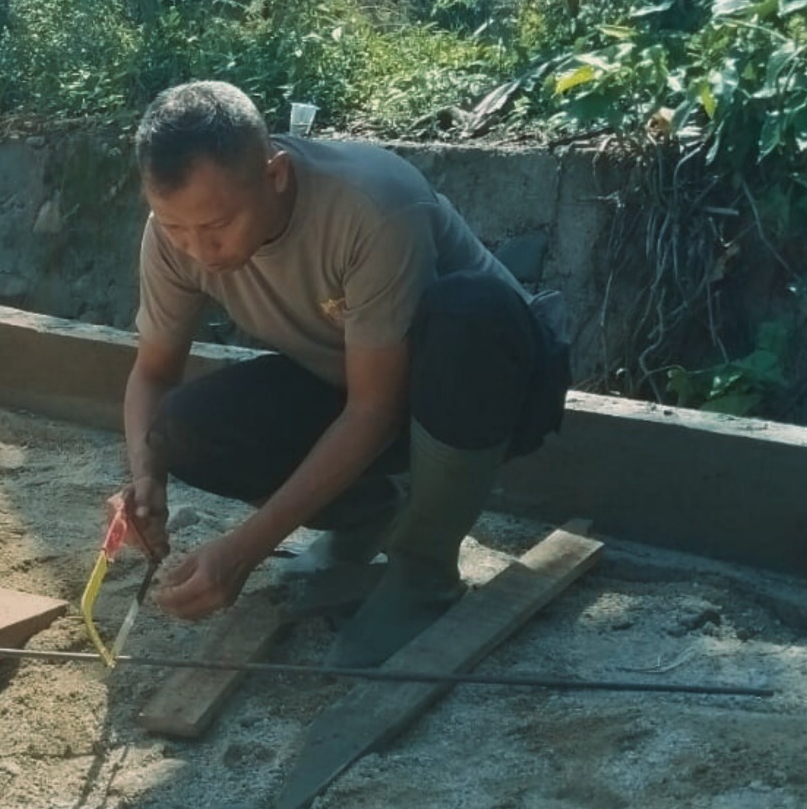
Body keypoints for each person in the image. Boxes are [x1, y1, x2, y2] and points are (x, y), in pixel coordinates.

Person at [111, 79, 568, 668]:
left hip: (492, 390)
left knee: (470, 311)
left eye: (216, 225)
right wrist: (146, 480)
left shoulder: (371, 205)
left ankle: (422, 572)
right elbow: (152, 373)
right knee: (180, 428)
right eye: (176, 229)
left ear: (274, 176)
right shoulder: (174, 236)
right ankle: (369, 515)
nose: (199, 249)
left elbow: (375, 410)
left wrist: (245, 549)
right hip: (357, 388)